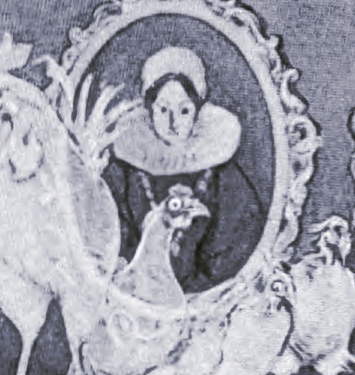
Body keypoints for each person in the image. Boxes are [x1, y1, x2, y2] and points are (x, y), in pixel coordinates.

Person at [104, 46, 265, 293]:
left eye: (184, 110)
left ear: (197, 110)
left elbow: (241, 232)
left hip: (207, 297)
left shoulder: (221, 173)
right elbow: (110, 231)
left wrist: (203, 286)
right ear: (150, 109)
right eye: (163, 110)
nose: (173, 123)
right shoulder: (126, 172)